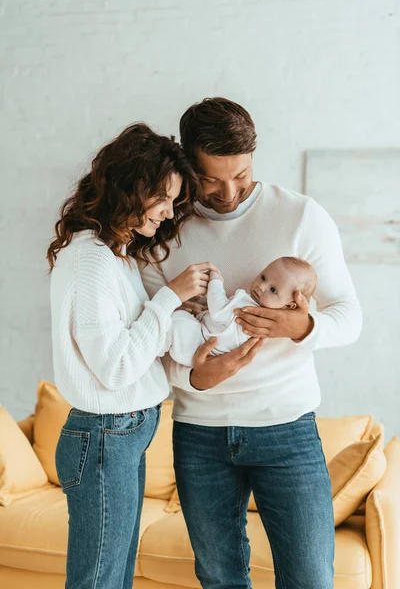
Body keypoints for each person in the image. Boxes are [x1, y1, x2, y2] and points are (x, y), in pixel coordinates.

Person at [140, 98, 363, 589]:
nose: (228, 192)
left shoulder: (301, 217)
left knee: (310, 579)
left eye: (240, 175)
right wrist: (194, 377)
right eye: (212, 180)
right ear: (186, 162)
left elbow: (350, 317)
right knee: (219, 578)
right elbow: (154, 337)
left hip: (287, 429)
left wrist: (300, 328)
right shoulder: (161, 227)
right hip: (199, 433)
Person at [46, 122, 223, 589]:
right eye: (163, 198)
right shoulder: (92, 259)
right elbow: (117, 366)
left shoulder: (117, 255)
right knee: (99, 581)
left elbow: (131, 346)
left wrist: (174, 316)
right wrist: (167, 299)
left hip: (123, 433)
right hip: (106, 436)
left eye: (173, 201)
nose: (168, 213)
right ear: (131, 185)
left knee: (113, 578)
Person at [161, 256, 317, 366]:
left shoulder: (251, 312)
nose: (261, 287)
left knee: (175, 322)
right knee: (177, 320)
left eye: (273, 290)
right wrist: (203, 314)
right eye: (263, 277)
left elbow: (219, 312)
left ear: (290, 305)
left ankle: (153, 343)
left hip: (195, 343)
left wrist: (215, 281)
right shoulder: (259, 315)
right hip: (199, 343)